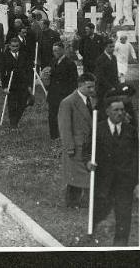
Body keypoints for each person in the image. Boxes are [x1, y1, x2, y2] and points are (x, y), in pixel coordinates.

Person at [85, 97, 138, 246]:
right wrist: (88, 162)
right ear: (107, 111)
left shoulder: (131, 131)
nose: (120, 113)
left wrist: (136, 181)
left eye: (122, 110)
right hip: (103, 180)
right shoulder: (98, 129)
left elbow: (136, 157)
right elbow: (87, 150)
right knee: (99, 211)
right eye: (116, 110)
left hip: (124, 181)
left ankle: (120, 245)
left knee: (123, 215)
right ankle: (91, 235)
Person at [58, 73, 97, 208]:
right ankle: (72, 203)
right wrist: (69, 147)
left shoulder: (91, 100)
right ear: (80, 86)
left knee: (87, 174)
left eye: (93, 87)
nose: (92, 90)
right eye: (89, 87)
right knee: (74, 176)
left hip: (89, 145)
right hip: (76, 146)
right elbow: (64, 127)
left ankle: (86, 202)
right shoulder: (68, 102)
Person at [43, 42, 78, 141]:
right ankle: (54, 136)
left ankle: (64, 135)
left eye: (57, 50)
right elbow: (49, 76)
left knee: (64, 116)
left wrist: (69, 95)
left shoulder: (70, 63)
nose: (55, 52)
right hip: (53, 93)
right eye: (53, 51)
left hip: (64, 94)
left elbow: (74, 82)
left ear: (63, 50)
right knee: (52, 115)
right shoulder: (53, 61)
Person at [0, 38, 32, 130]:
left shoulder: (23, 55)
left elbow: (29, 70)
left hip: (23, 83)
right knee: (12, 105)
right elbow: (2, 72)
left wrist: (29, 85)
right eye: (13, 46)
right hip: (11, 84)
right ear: (9, 46)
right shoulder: (5, 56)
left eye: (17, 46)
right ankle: (13, 124)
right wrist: (4, 87)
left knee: (22, 103)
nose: (15, 48)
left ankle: (16, 120)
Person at [94, 39, 119, 115]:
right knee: (103, 108)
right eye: (110, 47)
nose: (112, 48)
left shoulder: (114, 58)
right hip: (103, 88)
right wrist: (109, 87)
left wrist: (116, 84)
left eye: (113, 46)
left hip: (113, 87)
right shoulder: (100, 59)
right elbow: (100, 76)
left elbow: (115, 72)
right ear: (105, 47)